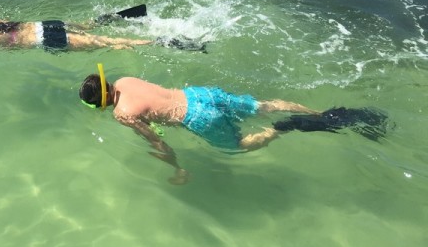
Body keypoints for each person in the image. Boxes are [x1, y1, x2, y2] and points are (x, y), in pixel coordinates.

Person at [78, 68, 387, 185]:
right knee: (263, 106)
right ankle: (322, 113)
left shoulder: (122, 113)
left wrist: (177, 167)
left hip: (197, 118)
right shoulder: (125, 80)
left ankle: (283, 128)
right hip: (200, 94)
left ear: (100, 102)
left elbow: (156, 141)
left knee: (235, 147)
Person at [0, 0, 206, 57]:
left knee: (108, 43)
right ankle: (123, 16)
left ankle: (159, 42)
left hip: (48, 40)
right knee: (92, 28)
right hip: (47, 24)